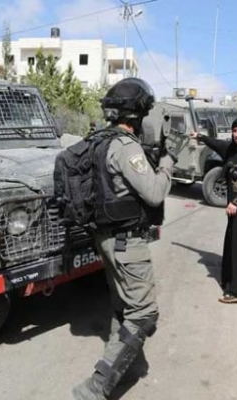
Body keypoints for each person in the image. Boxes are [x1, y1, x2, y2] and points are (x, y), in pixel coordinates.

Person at [71, 77, 176, 400]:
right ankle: (97, 386)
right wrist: (168, 162)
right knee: (143, 314)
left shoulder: (98, 140)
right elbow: (154, 193)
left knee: (123, 308)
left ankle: (119, 361)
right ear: (137, 115)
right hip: (126, 243)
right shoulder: (125, 147)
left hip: (106, 239)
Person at [190, 116, 237, 304]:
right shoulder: (233, 149)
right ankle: (229, 281)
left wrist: (236, 202)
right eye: (234, 131)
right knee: (232, 242)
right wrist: (200, 137)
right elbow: (217, 144)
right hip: (235, 207)